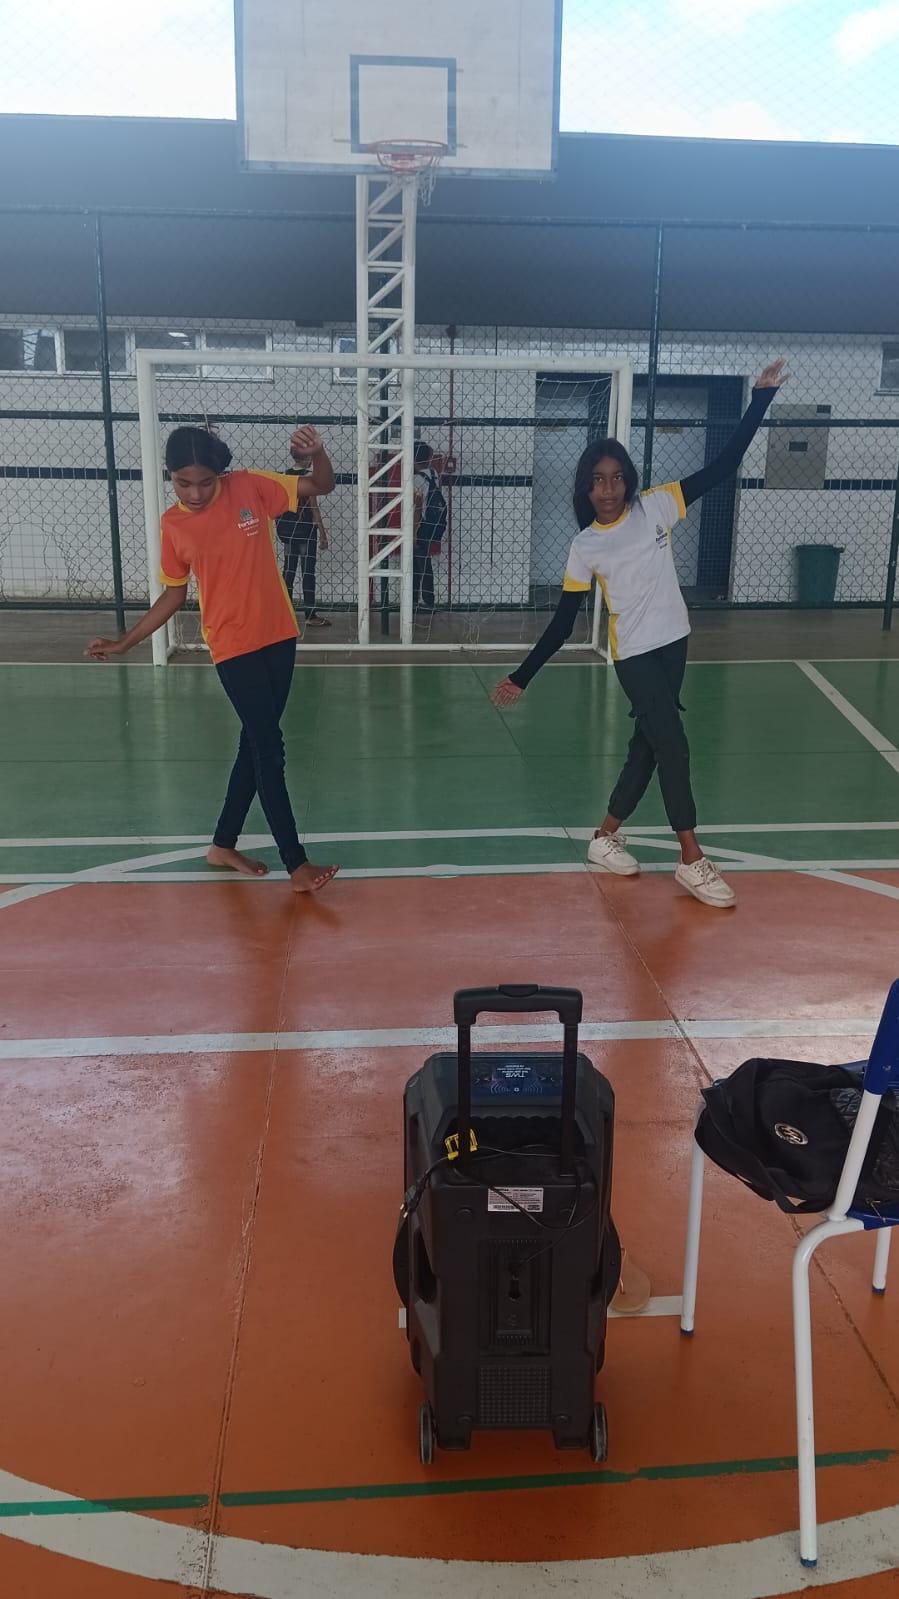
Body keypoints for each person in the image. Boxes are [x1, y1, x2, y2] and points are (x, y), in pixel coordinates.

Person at [493, 360, 790, 908]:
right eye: (597, 480)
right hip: (633, 654)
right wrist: (522, 676)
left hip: (675, 641)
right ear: (586, 487)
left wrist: (762, 398)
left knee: (649, 747)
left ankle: (604, 837)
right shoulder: (585, 545)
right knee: (673, 744)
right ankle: (691, 858)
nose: (608, 489)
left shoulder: (658, 504)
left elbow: (725, 464)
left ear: (628, 479)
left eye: (616, 477)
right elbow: (564, 621)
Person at [84, 424, 339, 894]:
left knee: (254, 744)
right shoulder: (174, 525)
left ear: (220, 473)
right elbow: (173, 595)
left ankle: (222, 846)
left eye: (205, 482)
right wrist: (125, 641)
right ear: (170, 476)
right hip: (233, 647)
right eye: (183, 483)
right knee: (269, 748)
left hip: (279, 635)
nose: (195, 493)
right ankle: (296, 863)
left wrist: (318, 453)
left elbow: (321, 485)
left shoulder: (250, 486)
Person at [276, 442, 331, 627]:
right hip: (306, 531)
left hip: (289, 531)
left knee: (289, 571)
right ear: (307, 458)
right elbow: (314, 508)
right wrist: (323, 533)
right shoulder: (308, 478)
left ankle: (284, 614)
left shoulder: (284, 476)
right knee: (308, 572)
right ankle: (310, 615)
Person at [413, 442, 447, 612]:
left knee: (420, 563)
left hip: (420, 526)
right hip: (431, 525)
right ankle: (422, 598)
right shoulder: (433, 474)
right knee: (420, 562)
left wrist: (413, 532)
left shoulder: (416, 480)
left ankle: (423, 599)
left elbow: (417, 507)